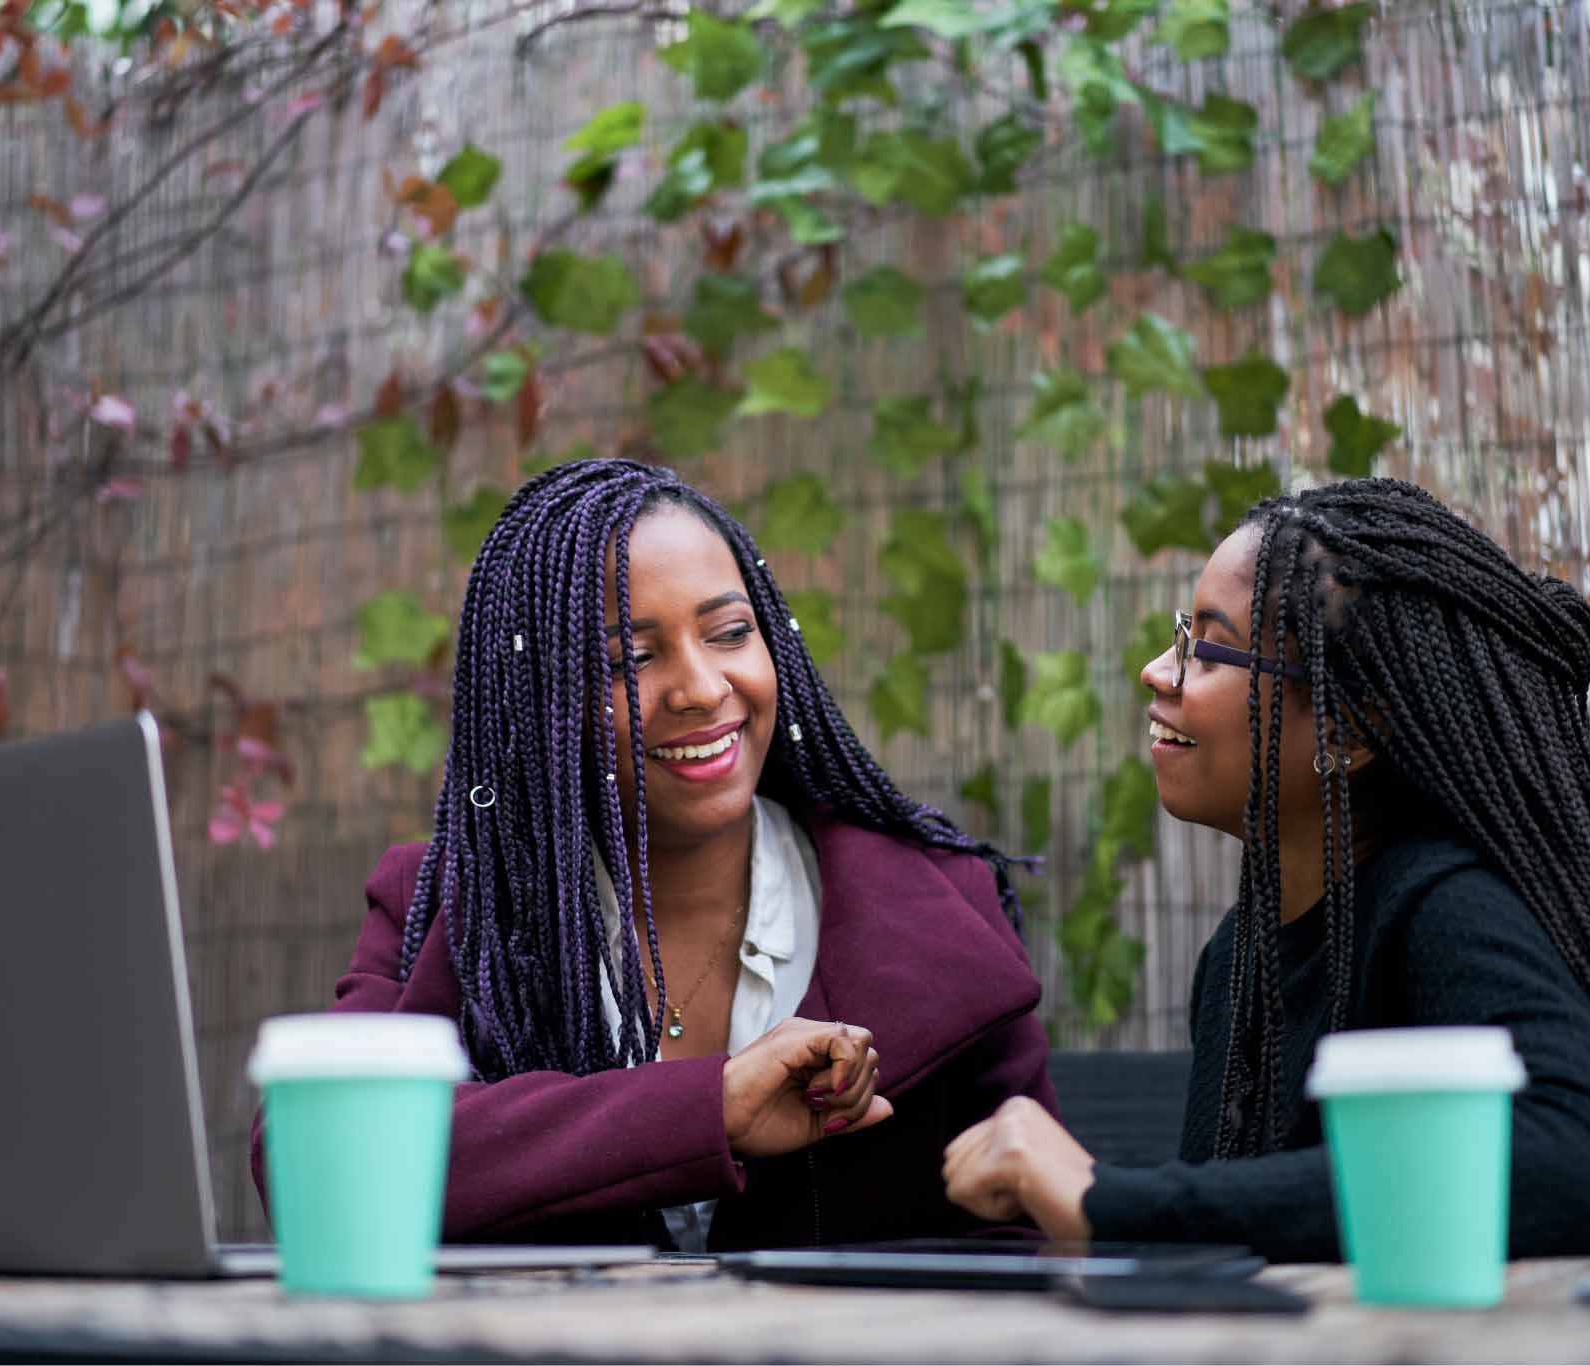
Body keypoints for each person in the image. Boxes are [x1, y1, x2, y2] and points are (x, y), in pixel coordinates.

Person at [942, 478, 1590, 1259]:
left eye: (1210, 648)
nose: (1158, 671)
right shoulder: (1238, 957)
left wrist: (1106, 1199)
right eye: (1179, 636)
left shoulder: (1445, 905)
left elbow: (1586, 1170)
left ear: (1345, 732)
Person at [251, 457, 1053, 1251]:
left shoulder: (945, 906)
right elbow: (320, 1163)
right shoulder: (450, 911)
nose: (701, 688)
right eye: (629, 659)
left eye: (730, 633)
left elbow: (1022, 1236)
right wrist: (708, 1109)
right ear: (540, 703)